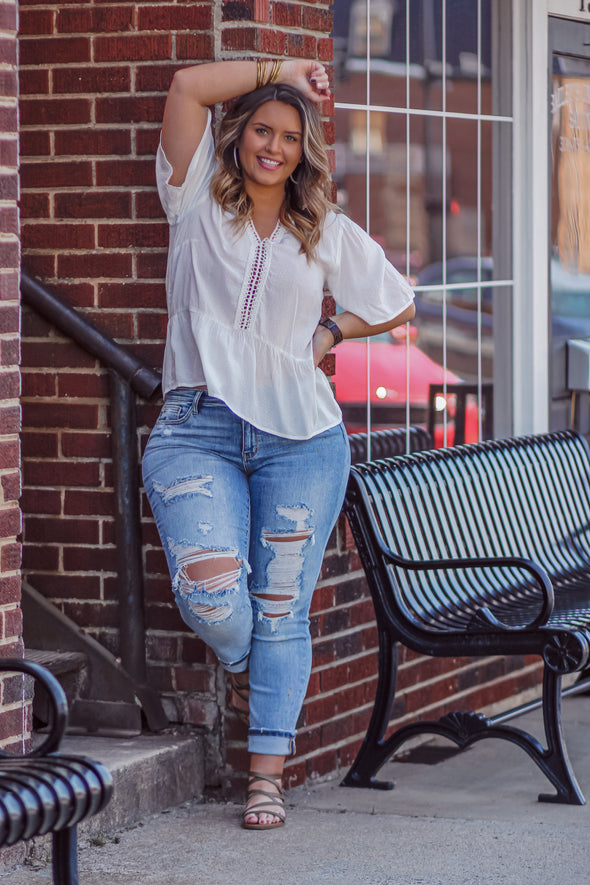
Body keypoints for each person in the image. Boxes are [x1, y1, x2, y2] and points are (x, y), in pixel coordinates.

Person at [142, 57, 415, 830]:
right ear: (237, 137)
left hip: (304, 439)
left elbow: (395, 301)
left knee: (281, 606)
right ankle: (251, 661)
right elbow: (189, 87)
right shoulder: (192, 196)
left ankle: (266, 775)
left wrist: (331, 329)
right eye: (262, 129)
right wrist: (278, 70)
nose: (274, 146)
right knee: (216, 599)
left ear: (305, 150)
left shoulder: (319, 223)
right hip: (197, 428)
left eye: (290, 137)